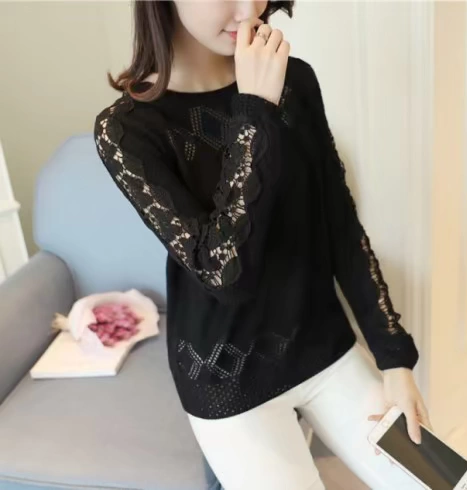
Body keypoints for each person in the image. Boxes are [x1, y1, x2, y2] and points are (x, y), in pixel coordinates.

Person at [93, 2, 434, 489]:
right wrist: (254, 111)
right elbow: (222, 274)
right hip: (225, 380)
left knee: (443, 483)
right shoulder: (126, 129)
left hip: (324, 348)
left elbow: (340, 224)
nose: (249, 10)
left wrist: (394, 357)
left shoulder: (295, 80)